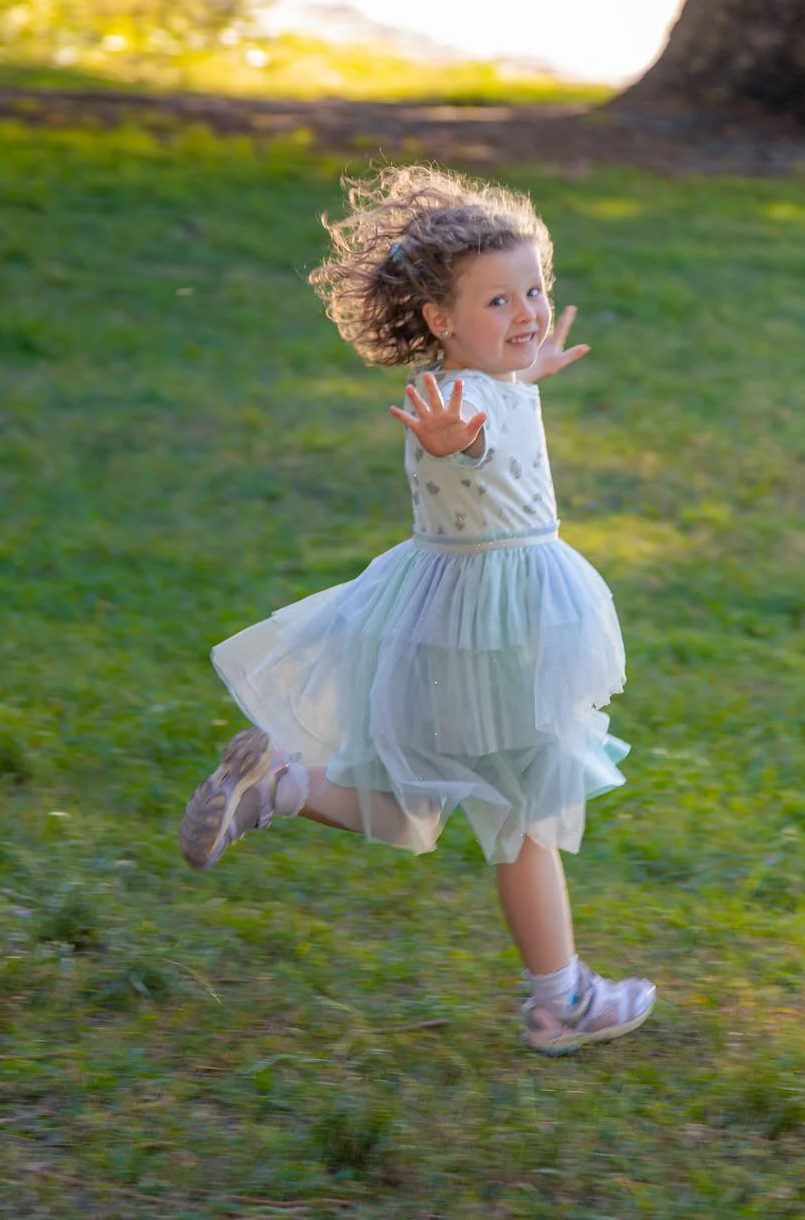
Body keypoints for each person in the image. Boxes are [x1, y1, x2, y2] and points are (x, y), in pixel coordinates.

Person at [178, 164, 653, 1055]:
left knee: (414, 804)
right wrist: (461, 435)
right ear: (440, 321)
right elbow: (470, 435)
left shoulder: (490, 382)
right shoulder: (460, 404)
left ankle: (278, 782)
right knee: (519, 813)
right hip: (498, 629)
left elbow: (494, 403)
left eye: (534, 292)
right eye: (499, 303)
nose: (527, 313)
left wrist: (527, 372)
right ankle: (562, 1001)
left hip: (441, 616)